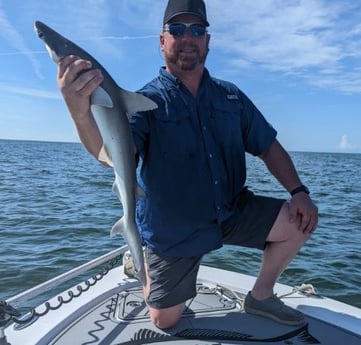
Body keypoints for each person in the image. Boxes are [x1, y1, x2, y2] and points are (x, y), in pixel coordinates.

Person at [57, 0, 318, 330]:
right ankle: (143, 267)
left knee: (301, 221)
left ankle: (261, 296)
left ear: (208, 40)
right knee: (165, 320)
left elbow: (270, 148)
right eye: (177, 29)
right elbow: (109, 156)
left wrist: (298, 191)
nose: (187, 37)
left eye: (197, 29)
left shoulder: (231, 97)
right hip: (173, 230)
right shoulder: (144, 103)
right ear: (162, 40)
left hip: (232, 211)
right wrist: (80, 111)